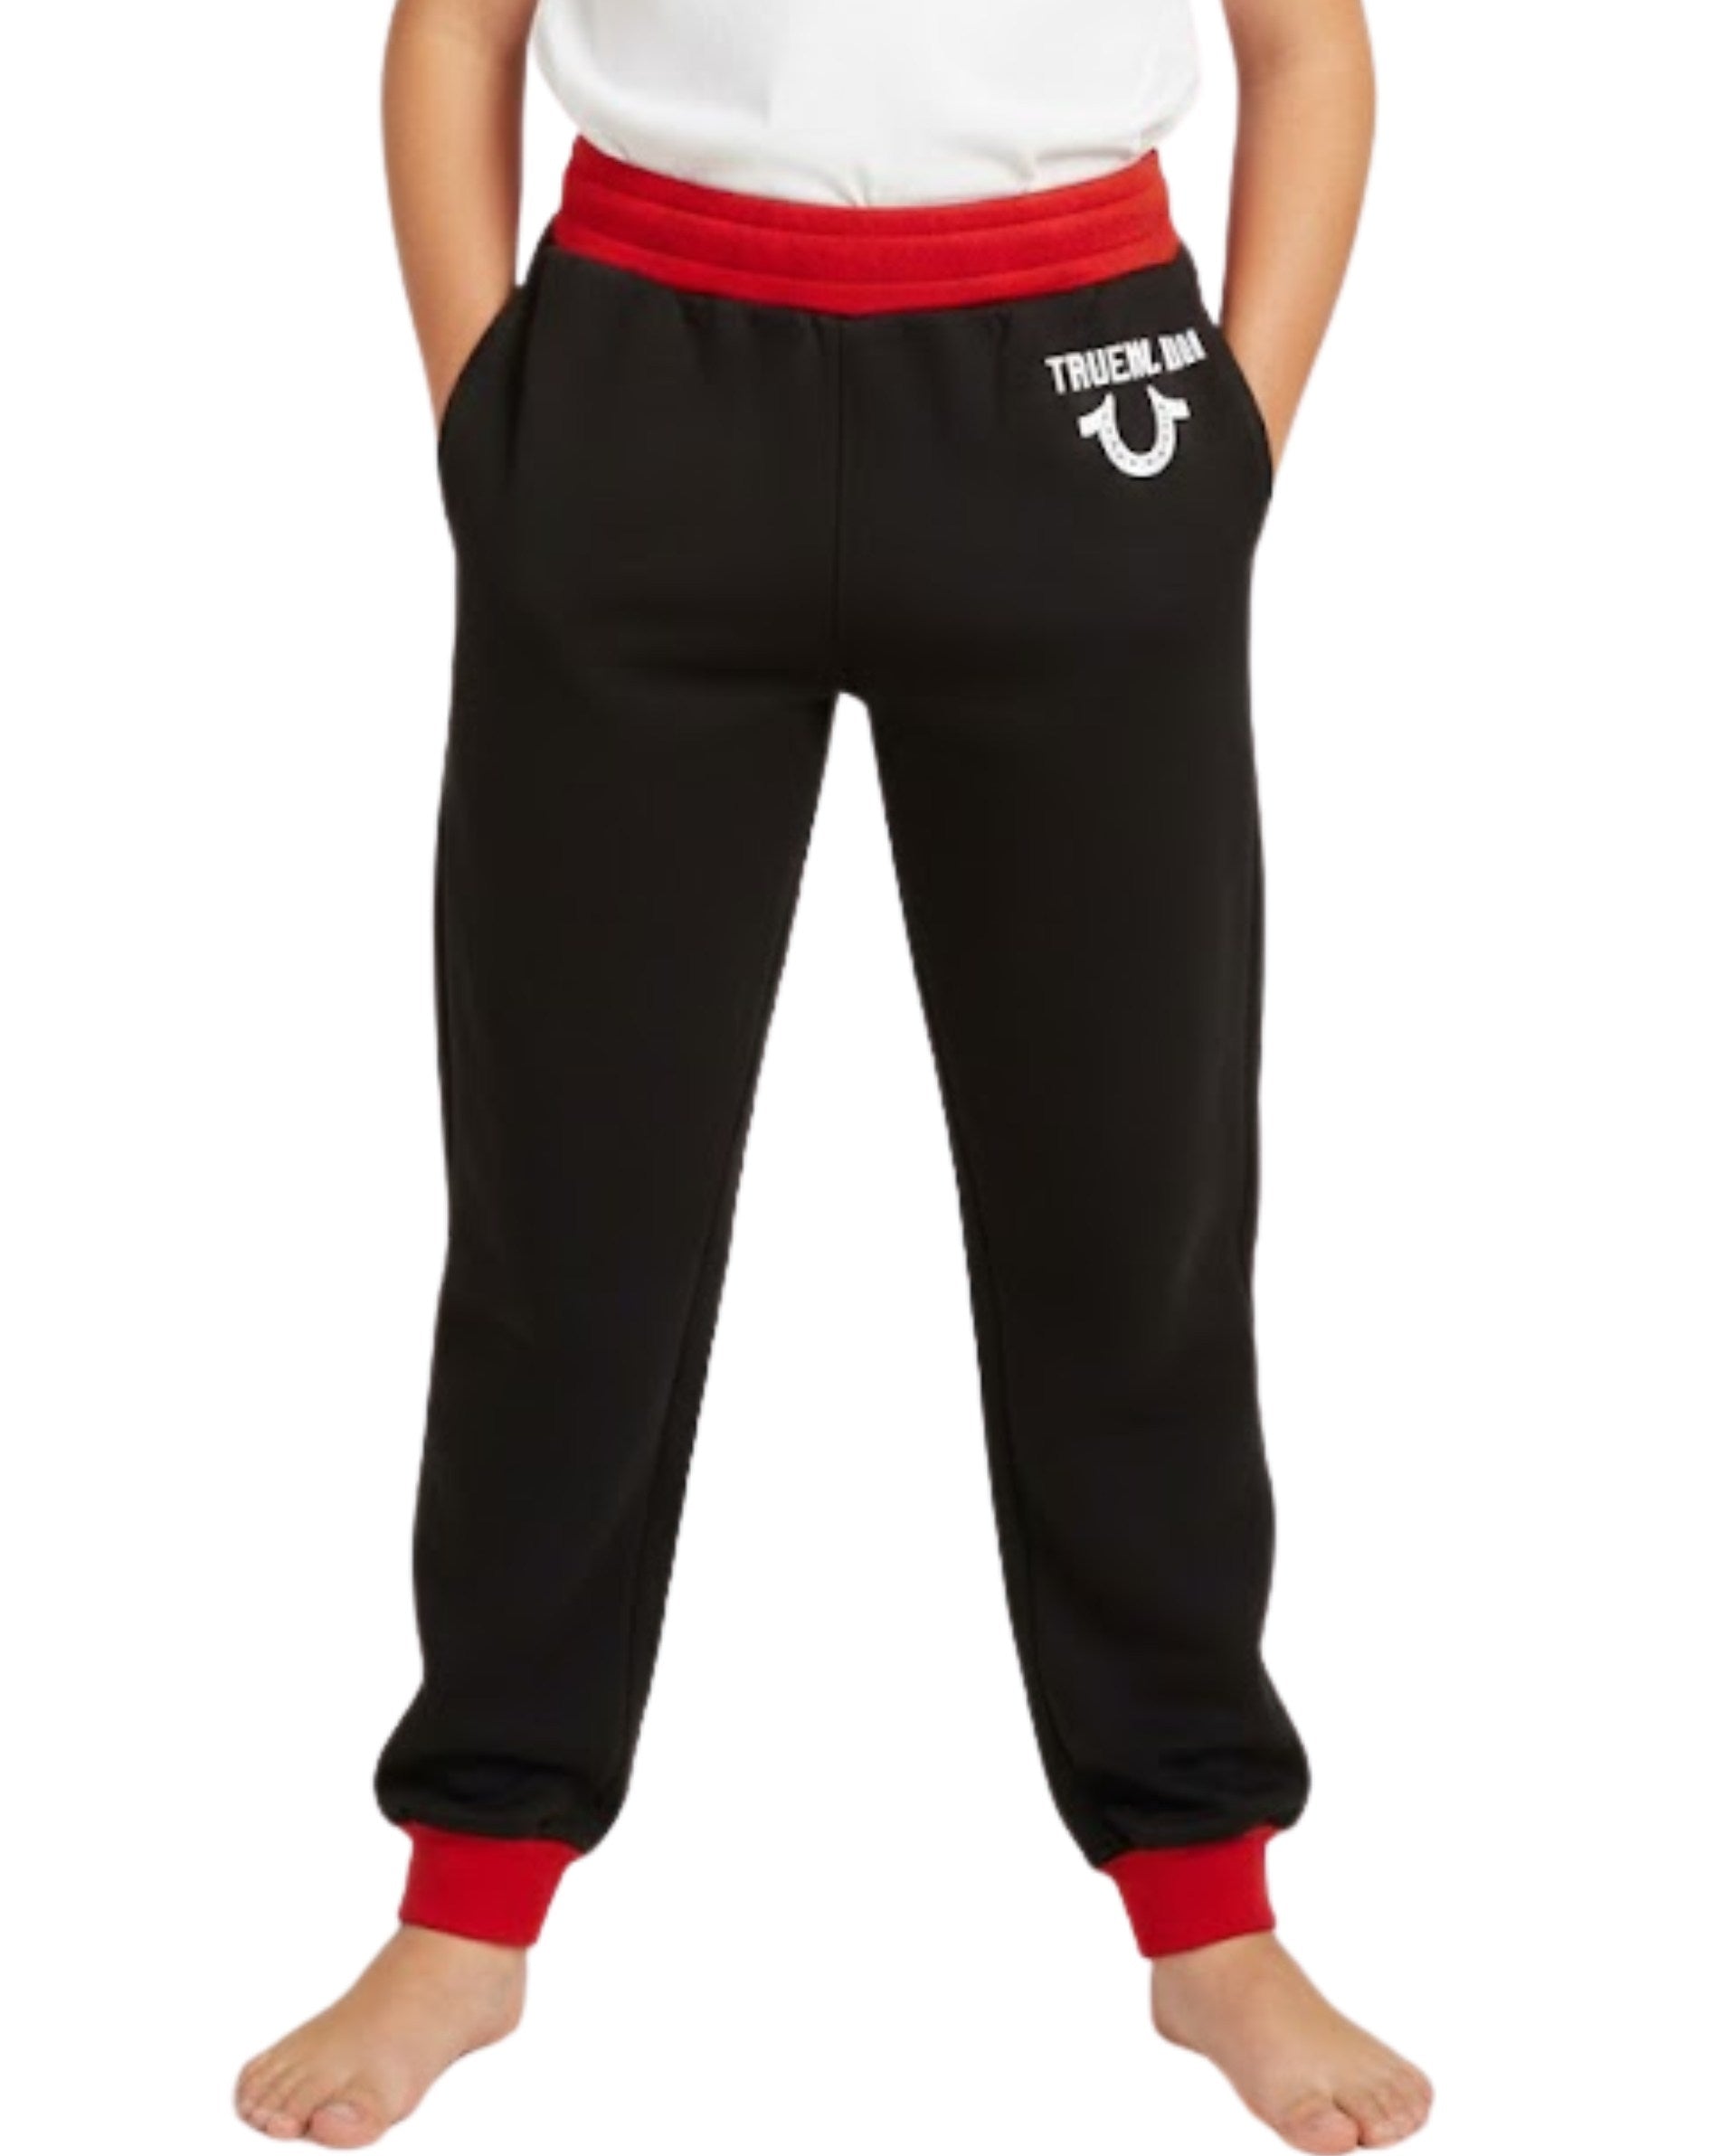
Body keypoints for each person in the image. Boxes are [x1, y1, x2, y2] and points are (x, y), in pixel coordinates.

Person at [235, 0, 1431, 2146]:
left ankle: (1206, 1902)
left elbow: (1305, 49)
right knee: (569, 1205)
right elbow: (458, 30)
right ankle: (469, 1890)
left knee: (1126, 1204)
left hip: (1077, 389)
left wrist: (1226, 453)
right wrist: (484, 421)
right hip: (638, 385)